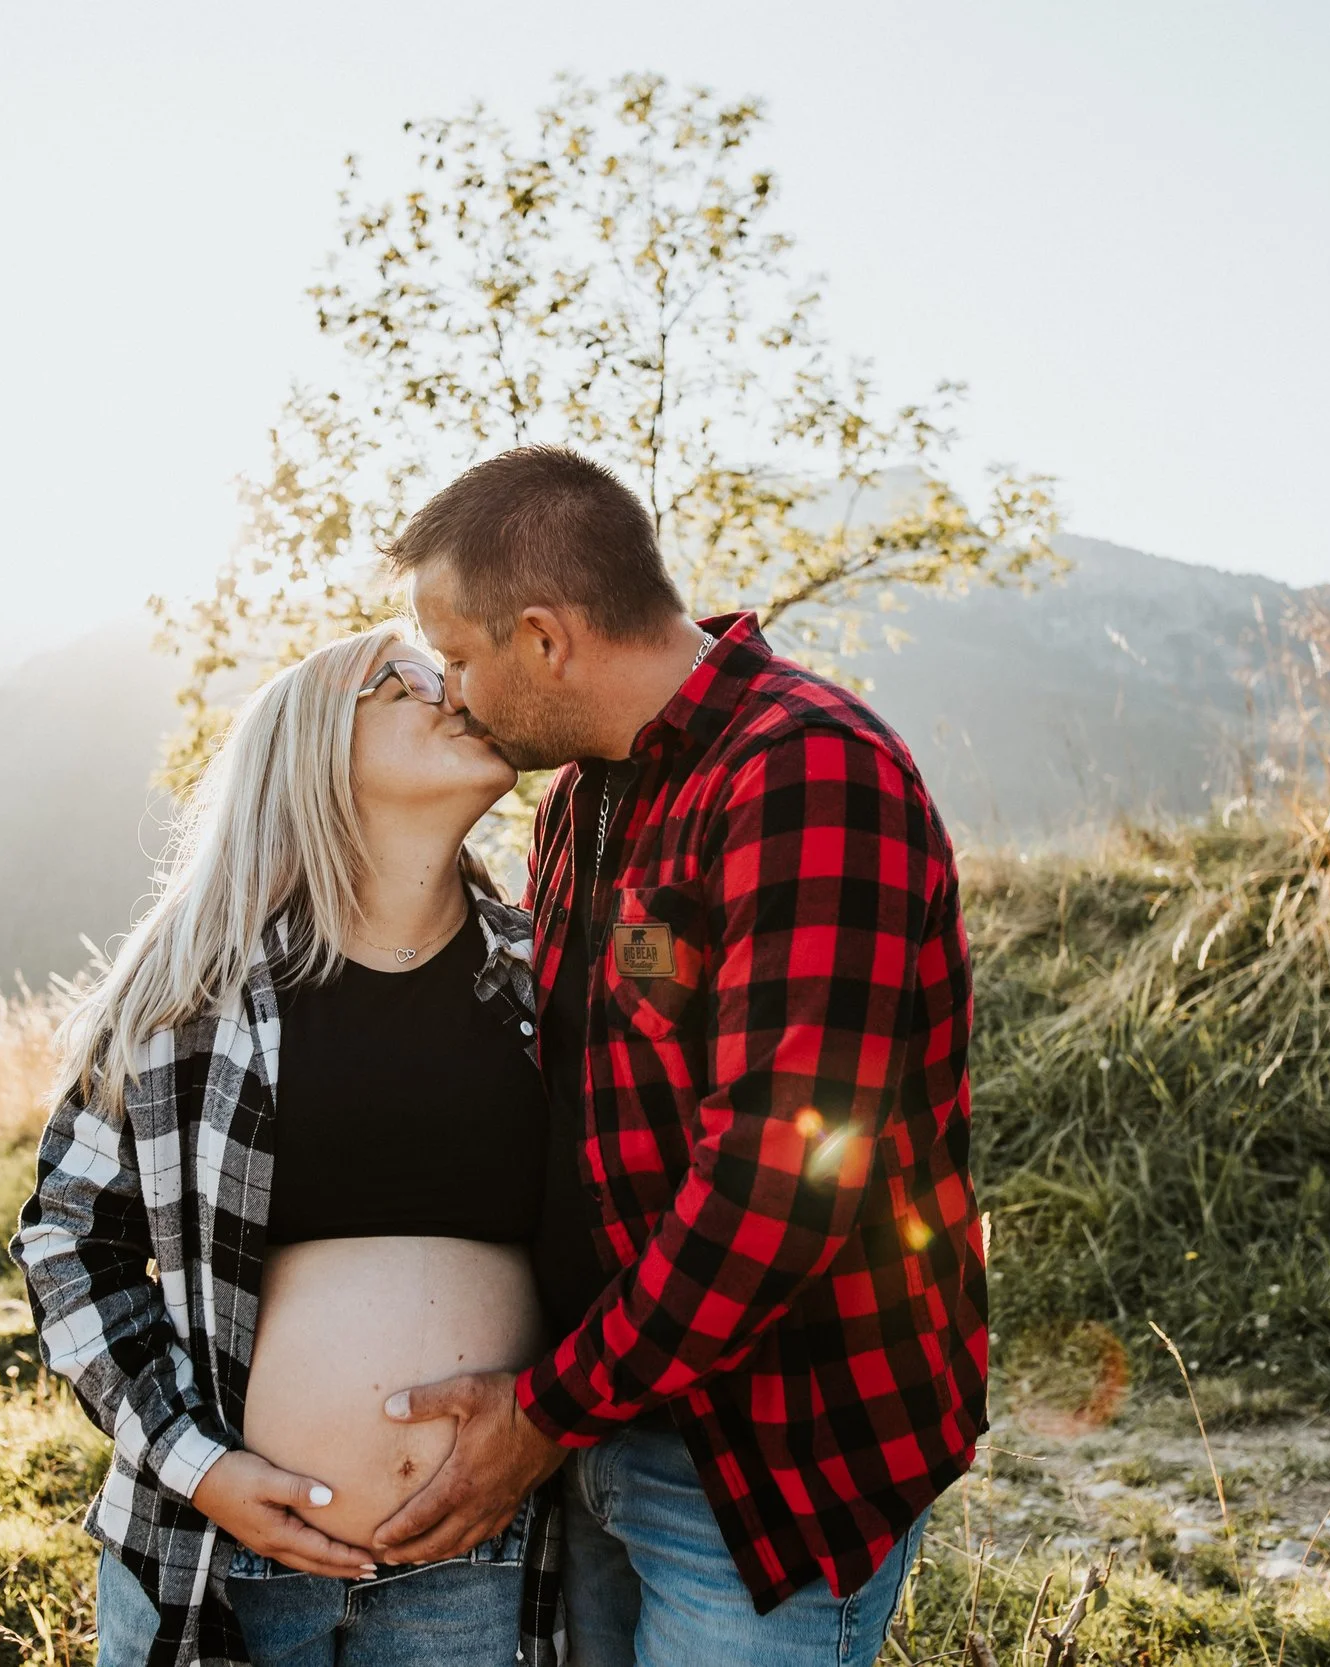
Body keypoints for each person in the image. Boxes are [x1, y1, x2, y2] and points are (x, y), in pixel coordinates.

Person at [372, 446, 988, 1667]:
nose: (452, 691)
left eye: (457, 656)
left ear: (543, 637)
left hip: (762, 1460)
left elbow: (783, 1179)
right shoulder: (578, 805)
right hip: (605, 1417)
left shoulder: (806, 771)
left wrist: (540, 1417)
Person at [10, 628, 560, 1667]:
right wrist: (198, 1464)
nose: (450, 691)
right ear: (309, 752)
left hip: (477, 1568)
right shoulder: (190, 990)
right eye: (399, 683)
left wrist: (544, 1423)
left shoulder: (547, 984)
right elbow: (65, 1242)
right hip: (219, 1561)